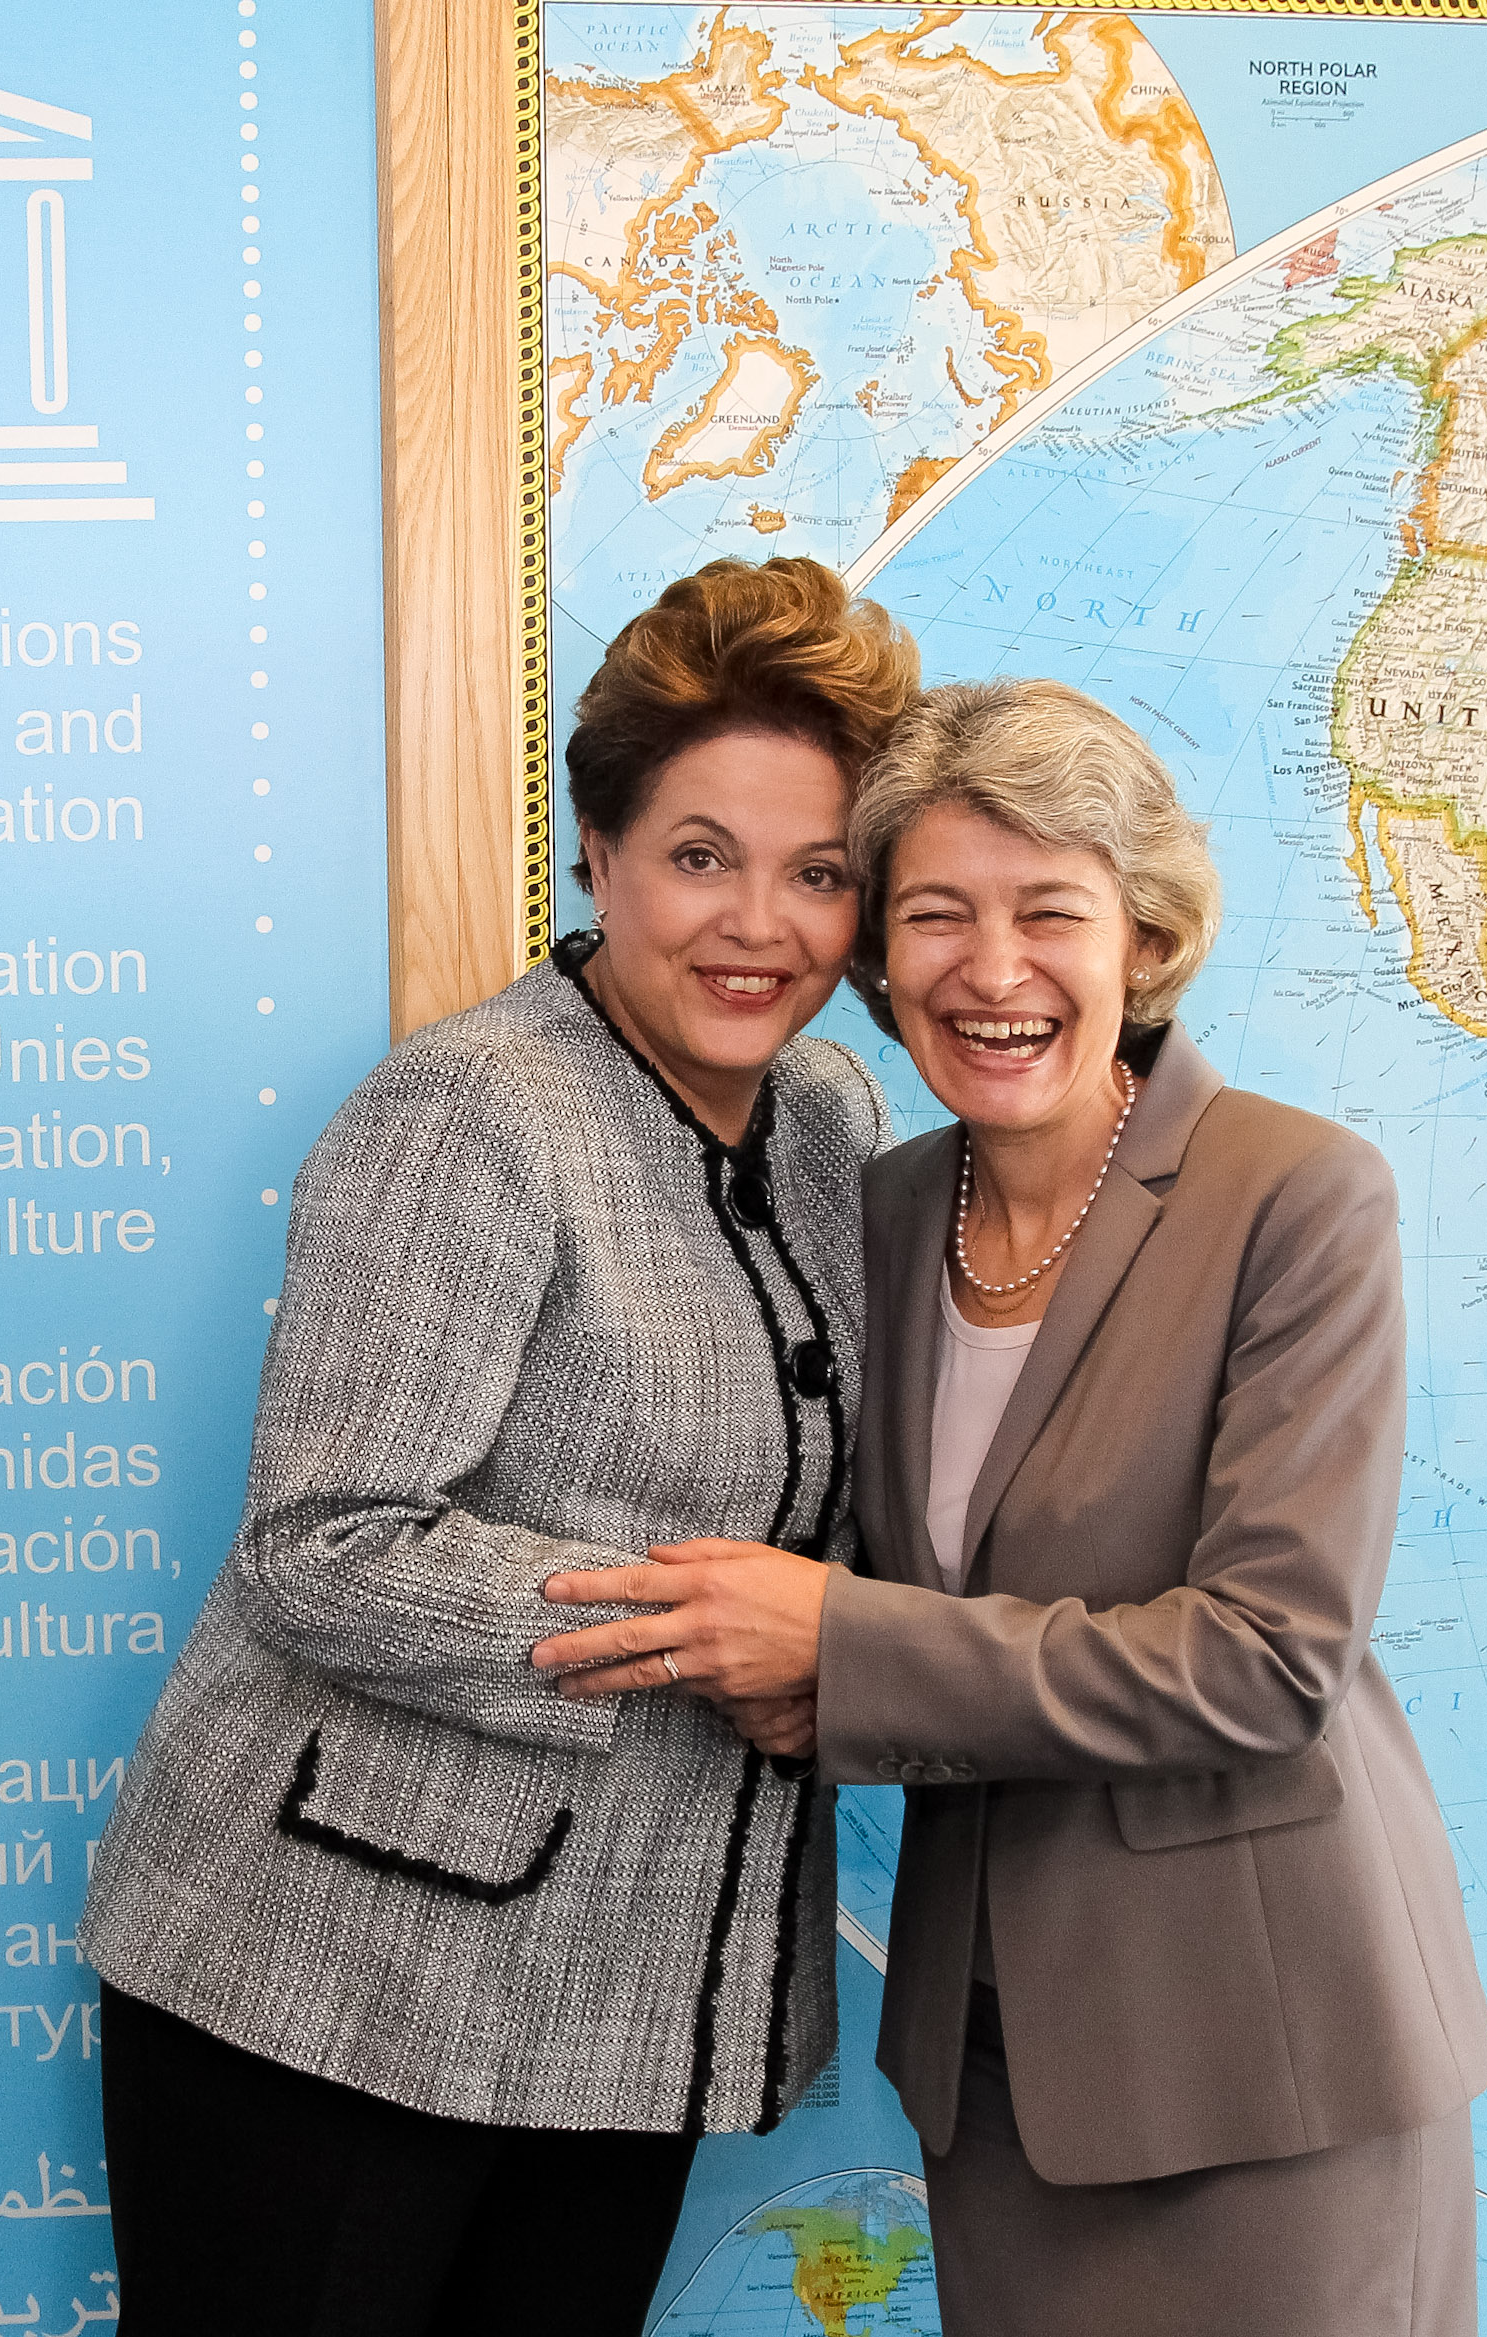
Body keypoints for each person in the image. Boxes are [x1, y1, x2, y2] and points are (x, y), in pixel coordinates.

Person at [535, 677, 1487, 2334]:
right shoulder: (881, 1208)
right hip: (991, 2056)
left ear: (1144, 936)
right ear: (877, 959)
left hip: (1264, 2044)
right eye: (932, 916)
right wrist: (773, 1667)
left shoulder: (1295, 1195)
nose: (991, 972)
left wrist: (836, 1645)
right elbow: (856, 1568)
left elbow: (1265, 1658)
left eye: (1048, 912)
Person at [81, 557, 918, 2333]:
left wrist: (847, 1641)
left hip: (622, 1994)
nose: (756, 923)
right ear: (597, 852)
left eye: (817, 872)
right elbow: (327, 1541)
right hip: (325, 1975)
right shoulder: (469, 1110)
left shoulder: (837, 1120)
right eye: (699, 855)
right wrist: (721, 1632)